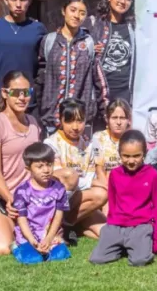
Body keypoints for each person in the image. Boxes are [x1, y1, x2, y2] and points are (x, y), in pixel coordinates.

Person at [0, 71, 41, 255]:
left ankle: (14, 229)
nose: (22, 97)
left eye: (26, 92)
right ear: (5, 93)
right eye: (16, 93)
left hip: (30, 198)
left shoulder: (34, 123)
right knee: (2, 249)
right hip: (3, 198)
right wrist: (11, 200)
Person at [36, 0, 108, 136]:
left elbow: (99, 80)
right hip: (52, 119)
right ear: (64, 11)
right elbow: (40, 78)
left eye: (82, 13)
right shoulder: (49, 41)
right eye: (73, 10)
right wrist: (41, 109)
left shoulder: (89, 43)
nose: (77, 16)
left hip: (80, 120)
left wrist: (105, 110)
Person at [89, 130, 157, 266]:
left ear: (144, 154)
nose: (131, 161)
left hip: (140, 225)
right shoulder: (115, 175)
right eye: (126, 156)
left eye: (136, 156)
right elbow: (112, 204)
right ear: (119, 154)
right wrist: (111, 226)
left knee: (139, 260)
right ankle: (124, 245)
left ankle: (134, 244)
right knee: (97, 258)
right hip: (116, 225)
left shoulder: (152, 174)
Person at [0, 0, 47, 115]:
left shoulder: (38, 29)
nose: (18, 4)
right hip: (0, 99)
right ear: (5, 0)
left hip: (28, 100)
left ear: (29, 1)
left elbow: (45, 61)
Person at [44, 99, 107, 240]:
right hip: (55, 201)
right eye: (70, 121)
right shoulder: (50, 143)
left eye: (80, 121)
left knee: (106, 232)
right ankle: (57, 224)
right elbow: (63, 180)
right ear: (60, 120)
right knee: (72, 176)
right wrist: (93, 182)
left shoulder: (88, 144)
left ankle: (69, 226)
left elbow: (91, 173)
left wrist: (93, 182)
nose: (75, 127)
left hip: (80, 200)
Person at [10, 143, 72, 264]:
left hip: (49, 233)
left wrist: (49, 239)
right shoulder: (22, 191)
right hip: (28, 235)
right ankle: (15, 247)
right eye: (40, 166)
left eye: (49, 165)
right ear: (28, 169)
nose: (46, 170)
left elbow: (58, 216)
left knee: (60, 255)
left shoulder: (59, 189)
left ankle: (50, 246)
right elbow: (21, 220)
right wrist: (32, 241)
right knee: (33, 259)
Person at [88, 0, 136, 105]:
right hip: (98, 91)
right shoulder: (93, 24)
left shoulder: (133, 27)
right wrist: (90, 48)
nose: (123, 1)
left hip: (125, 91)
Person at [90, 98, 133, 174]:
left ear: (128, 120)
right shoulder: (98, 138)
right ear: (107, 119)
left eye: (122, 118)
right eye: (114, 118)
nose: (118, 122)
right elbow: (98, 168)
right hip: (104, 181)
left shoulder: (133, 139)